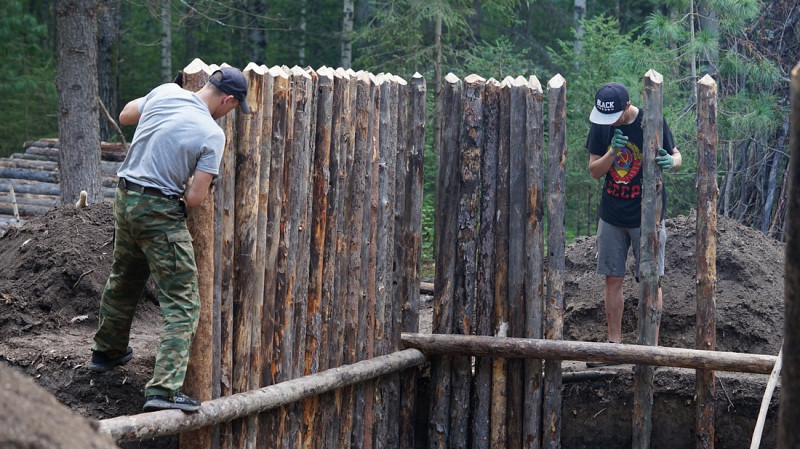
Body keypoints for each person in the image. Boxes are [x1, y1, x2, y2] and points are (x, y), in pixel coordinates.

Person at [88, 67, 251, 413]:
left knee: (124, 278)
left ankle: (106, 352)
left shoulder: (166, 92)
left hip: (124, 199)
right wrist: (187, 175)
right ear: (228, 100)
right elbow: (194, 198)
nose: (230, 113)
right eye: (235, 108)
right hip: (159, 211)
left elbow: (126, 115)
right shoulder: (212, 133)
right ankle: (163, 389)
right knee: (183, 301)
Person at [586, 81, 681, 347]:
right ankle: (614, 343)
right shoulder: (601, 124)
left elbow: (677, 156)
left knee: (651, 280)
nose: (608, 121)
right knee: (613, 278)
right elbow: (595, 171)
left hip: (647, 217)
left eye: (613, 115)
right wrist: (612, 152)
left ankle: (651, 346)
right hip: (612, 215)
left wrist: (671, 162)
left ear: (627, 106)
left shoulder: (651, 120)